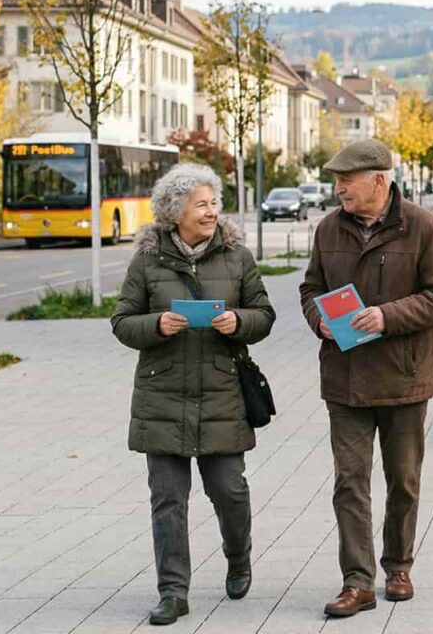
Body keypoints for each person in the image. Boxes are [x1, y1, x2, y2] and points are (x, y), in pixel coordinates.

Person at [300, 139, 433, 620]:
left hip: (403, 379)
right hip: (344, 379)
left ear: (378, 180)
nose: (339, 188)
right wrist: (319, 320)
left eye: (347, 180)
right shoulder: (328, 228)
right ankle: (357, 582)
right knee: (349, 483)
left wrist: (387, 316)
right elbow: (311, 287)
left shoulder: (422, 226)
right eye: (336, 181)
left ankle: (398, 567)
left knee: (403, 481)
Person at [110, 164, 276, 627]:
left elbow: (264, 314)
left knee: (230, 490)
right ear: (175, 211)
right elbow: (122, 322)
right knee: (168, 500)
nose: (211, 212)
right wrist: (157, 324)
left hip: (222, 392)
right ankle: (173, 592)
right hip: (162, 395)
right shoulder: (147, 260)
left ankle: (238, 557)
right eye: (201, 204)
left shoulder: (237, 256)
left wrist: (238, 322)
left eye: (213, 203)